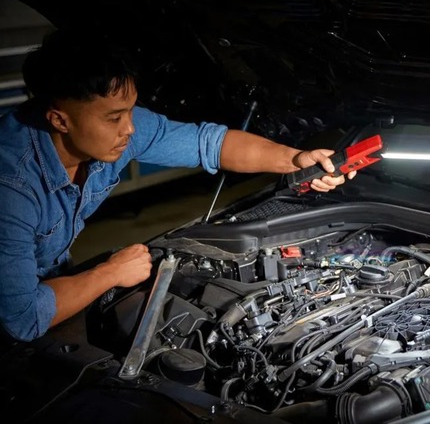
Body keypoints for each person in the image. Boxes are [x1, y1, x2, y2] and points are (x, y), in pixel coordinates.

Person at [0, 27, 355, 342]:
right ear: (58, 120)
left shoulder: (116, 126)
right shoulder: (11, 188)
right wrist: (110, 272)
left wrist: (296, 160)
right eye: (114, 118)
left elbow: (212, 144)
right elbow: (22, 318)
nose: (130, 129)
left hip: (51, 276)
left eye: (129, 111)